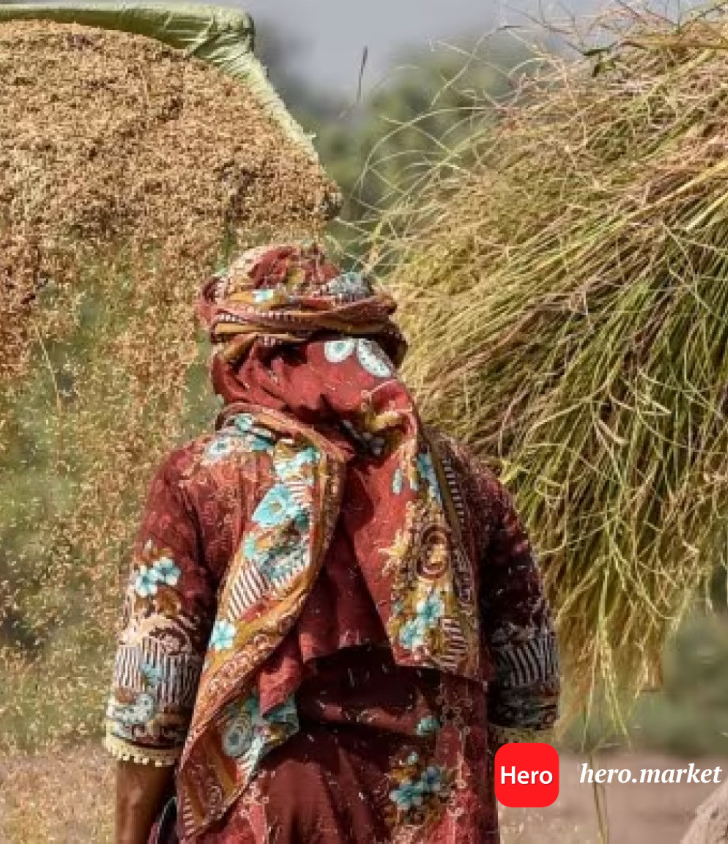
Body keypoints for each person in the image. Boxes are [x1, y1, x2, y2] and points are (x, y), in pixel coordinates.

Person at [104, 244, 561, 843]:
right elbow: (530, 687)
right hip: (433, 809)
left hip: (272, 807)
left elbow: (152, 701)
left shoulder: (203, 476)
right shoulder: (464, 484)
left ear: (254, 357)